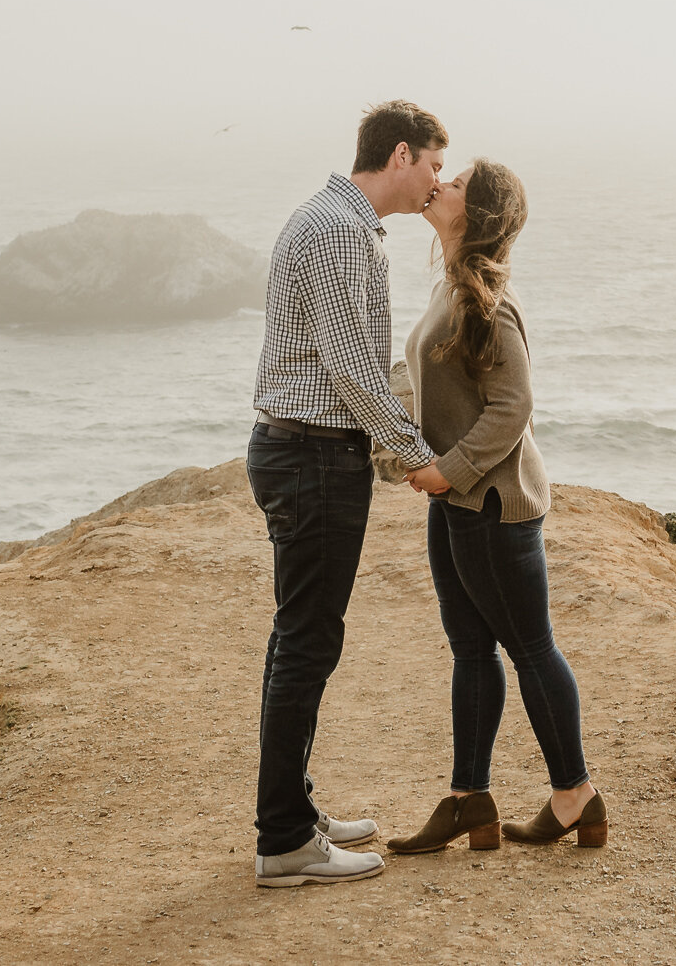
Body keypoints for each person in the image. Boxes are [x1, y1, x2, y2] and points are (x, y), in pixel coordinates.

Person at [250, 101, 453, 889]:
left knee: (298, 641)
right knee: (305, 645)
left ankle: (292, 815)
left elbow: (351, 361)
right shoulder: (338, 230)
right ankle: (283, 841)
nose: (438, 180)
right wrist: (415, 458)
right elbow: (350, 368)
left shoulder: (337, 220)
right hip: (312, 457)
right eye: (435, 164)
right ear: (401, 155)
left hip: (303, 451)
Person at [385, 159, 607, 857]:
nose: (441, 185)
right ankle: (468, 797)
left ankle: (576, 795)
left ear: (473, 213)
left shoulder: (487, 301)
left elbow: (514, 406)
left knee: (530, 647)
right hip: (459, 501)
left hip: (491, 504)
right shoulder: (452, 286)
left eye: (456, 184)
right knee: (471, 649)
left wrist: (448, 471)